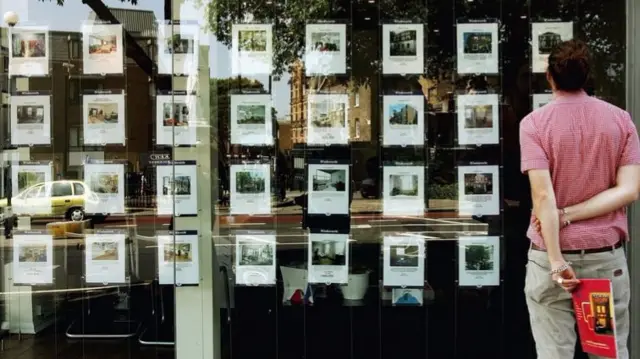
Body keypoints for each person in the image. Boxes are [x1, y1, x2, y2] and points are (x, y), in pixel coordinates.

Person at [520, 39, 640, 359]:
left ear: (549, 76)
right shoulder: (620, 121)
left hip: (550, 261)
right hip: (603, 262)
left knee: (553, 353)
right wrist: (570, 213)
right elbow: (629, 190)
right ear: (587, 77)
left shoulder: (534, 125)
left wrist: (558, 259)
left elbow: (543, 195)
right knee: (606, 353)